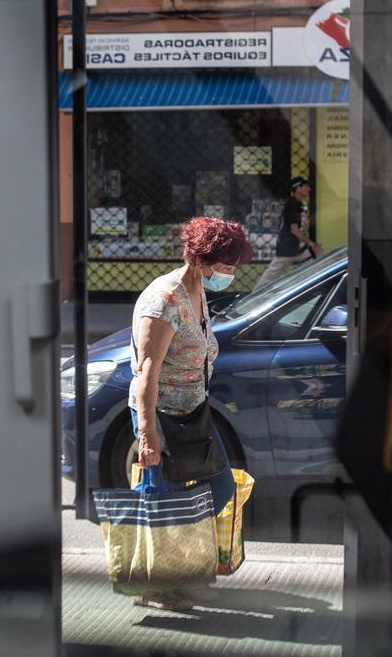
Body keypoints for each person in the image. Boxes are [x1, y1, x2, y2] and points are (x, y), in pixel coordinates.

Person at [129, 216, 253, 611]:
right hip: (161, 414)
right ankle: (159, 586)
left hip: (192, 411)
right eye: (226, 266)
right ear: (200, 259)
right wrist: (148, 438)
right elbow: (147, 372)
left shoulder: (197, 291)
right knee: (163, 501)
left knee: (219, 488)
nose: (230, 274)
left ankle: (177, 573)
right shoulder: (165, 300)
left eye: (234, 267)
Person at [254, 176, 323, 290]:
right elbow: (294, 229)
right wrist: (312, 244)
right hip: (288, 248)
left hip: (298, 248)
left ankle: (314, 291)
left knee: (312, 267)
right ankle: (254, 296)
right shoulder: (293, 204)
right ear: (298, 188)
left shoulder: (299, 204)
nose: (309, 189)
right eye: (305, 186)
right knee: (270, 275)